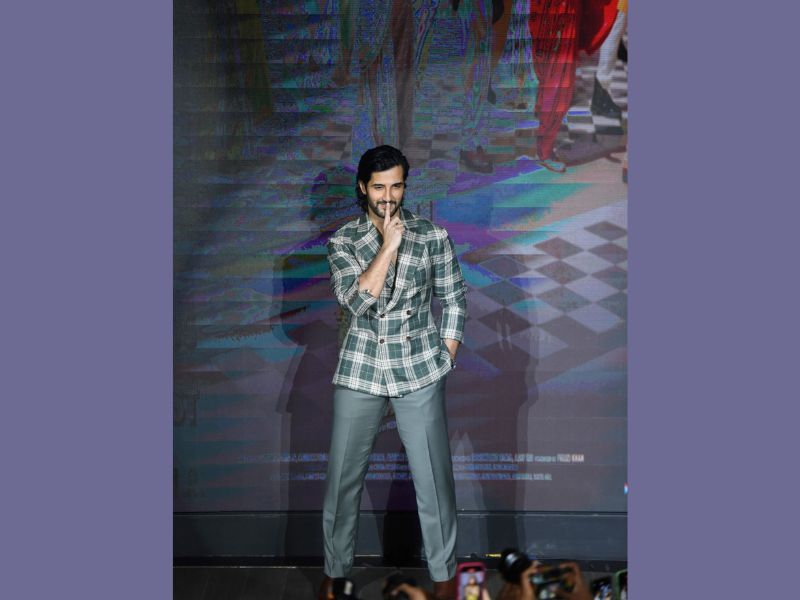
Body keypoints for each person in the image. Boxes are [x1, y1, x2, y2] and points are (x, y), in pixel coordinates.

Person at [319, 145, 467, 600]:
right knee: (343, 481)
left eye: (396, 186)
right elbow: (356, 301)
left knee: (434, 482)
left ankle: (444, 577)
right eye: (379, 187)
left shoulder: (433, 236)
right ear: (363, 187)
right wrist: (388, 245)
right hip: (361, 367)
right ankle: (335, 574)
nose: (388, 196)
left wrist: (445, 357)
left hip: (419, 369)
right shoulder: (344, 241)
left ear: (405, 186)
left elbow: (455, 300)